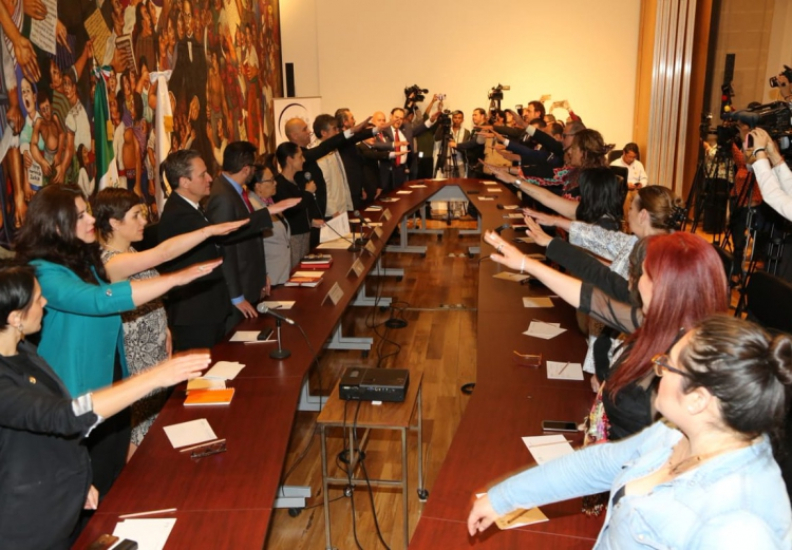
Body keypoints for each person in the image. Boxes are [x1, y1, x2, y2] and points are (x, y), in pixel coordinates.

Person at [468, 315, 792, 549]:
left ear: (698, 400)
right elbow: (600, 463)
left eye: (668, 364)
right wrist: (504, 498)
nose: (657, 368)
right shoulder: (677, 432)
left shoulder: (739, 528)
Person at [14, 184, 221, 499]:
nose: (90, 220)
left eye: (88, 212)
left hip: (111, 384)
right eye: (80, 215)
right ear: (57, 225)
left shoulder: (83, 261)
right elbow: (98, 301)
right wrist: (176, 278)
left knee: (112, 479)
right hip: (76, 394)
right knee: (88, 487)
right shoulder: (43, 272)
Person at [0, 263, 211, 549]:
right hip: (28, 521)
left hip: (60, 498)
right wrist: (154, 377)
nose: (45, 302)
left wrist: (78, 480)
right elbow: (63, 416)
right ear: (15, 317)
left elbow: (48, 435)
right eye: (38, 299)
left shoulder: (25, 351)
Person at [483, 230, 728, 443]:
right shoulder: (668, 324)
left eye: (642, 275)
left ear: (665, 288)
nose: (635, 283)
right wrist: (526, 263)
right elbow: (594, 301)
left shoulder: (688, 367)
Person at [93, 187, 246, 453]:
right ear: (114, 223)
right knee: (137, 427)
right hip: (135, 354)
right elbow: (163, 254)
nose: (144, 221)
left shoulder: (130, 250)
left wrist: (164, 327)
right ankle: (131, 488)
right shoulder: (111, 261)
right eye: (136, 216)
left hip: (155, 347)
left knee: (152, 421)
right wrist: (208, 231)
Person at [157, 149, 299, 351]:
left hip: (208, 309)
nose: (209, 178)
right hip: (195, 314)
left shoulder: (192, 207)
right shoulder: (179, 214)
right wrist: (267, 213)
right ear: (184, 181)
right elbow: (222, 235)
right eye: (202, 174)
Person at [273, 141, 324, 266]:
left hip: (303, 234)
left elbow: (301, 210)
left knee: (302, 270)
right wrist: (308, 193)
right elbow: (291, 210)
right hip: (293, 237)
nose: (303, 160)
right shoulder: (280, 184)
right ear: (290, 159)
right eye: (300, 156)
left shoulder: (296, 180)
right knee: (295, 271)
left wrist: (311, 221)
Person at [249, 154, 291, 286]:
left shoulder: (271, 203)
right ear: (258, 186)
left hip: (283, 272)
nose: (275, 183)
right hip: (270, 277)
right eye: (271, 180)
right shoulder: (253, 209)